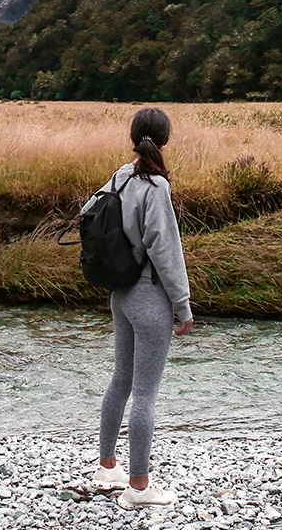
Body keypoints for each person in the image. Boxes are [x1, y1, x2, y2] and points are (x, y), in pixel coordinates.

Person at [88, 107, 193, 509]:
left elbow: (89, 215)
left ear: (134, 137)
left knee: (120, 380)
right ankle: (138, 488)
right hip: (150, 294)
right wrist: (182, 306)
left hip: (121, 292)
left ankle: (107, 468)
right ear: (165, 139)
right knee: (146, 393)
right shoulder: (156, 187)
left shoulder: (120, 176)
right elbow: (166, 252)